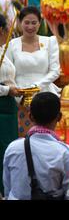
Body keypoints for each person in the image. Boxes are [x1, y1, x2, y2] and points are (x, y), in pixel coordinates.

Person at [3, 92, 69, 200]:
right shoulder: (65, 152)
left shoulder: (13, 148)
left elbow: (7, 189)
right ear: (59, 117)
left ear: (30, 116)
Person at [5, 6, 60, 137]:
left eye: (34, 23)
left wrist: (36, 87)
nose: (30, 26)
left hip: (44, 96)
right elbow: (7, 72)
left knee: (44, 136)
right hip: (19, 96)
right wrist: (17, 90)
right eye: (27, 22)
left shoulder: (50, 41)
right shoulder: (12, 44)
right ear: (19, 23)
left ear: (39, 23)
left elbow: (55, 71)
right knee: (21, 136)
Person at [0, 14, 22, 197]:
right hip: (1, 105)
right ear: (1, 30)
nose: (10, 31)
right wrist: (8, 91)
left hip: (8, 107)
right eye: (8, 27)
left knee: (8, 150)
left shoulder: (3, 51)